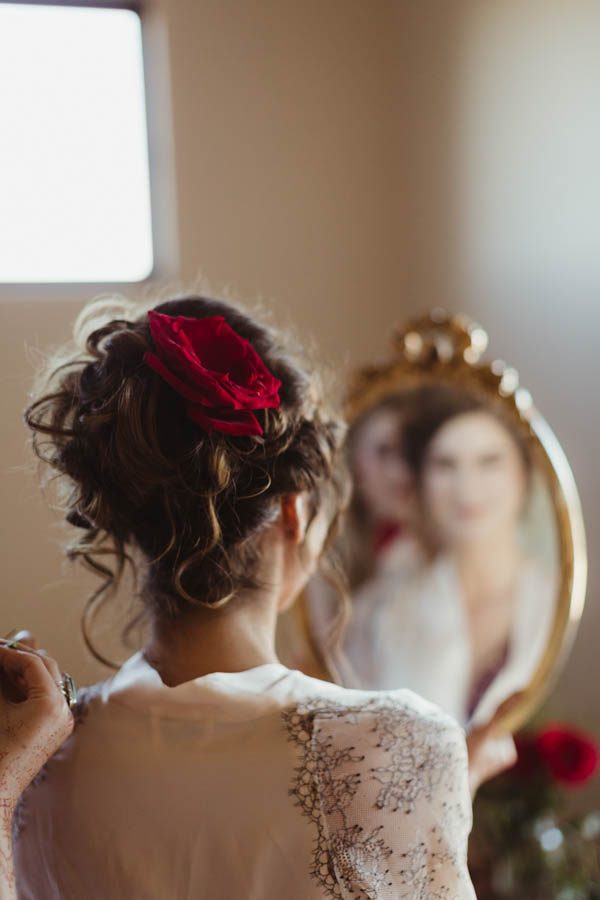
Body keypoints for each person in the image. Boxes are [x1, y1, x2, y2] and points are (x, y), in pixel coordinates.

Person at [10, 296, 511, 898]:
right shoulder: (395, 746)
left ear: (126, 525)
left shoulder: (33, 765)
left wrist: (438, 789)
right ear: (296, 514)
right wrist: (430, 778)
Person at [346, 384, 556, 727]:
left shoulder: (556, 606)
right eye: (445, 464)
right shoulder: (380, 609)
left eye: (490, 462)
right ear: (420, 482)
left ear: (523, 474)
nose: (467, 487)